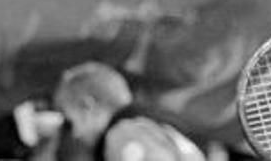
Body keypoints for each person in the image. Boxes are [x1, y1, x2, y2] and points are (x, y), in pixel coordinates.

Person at [47, 61, 206, 161]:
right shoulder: (150, 126)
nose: (76, 134)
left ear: (87, 106)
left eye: (71, 122)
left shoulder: (122, 135)